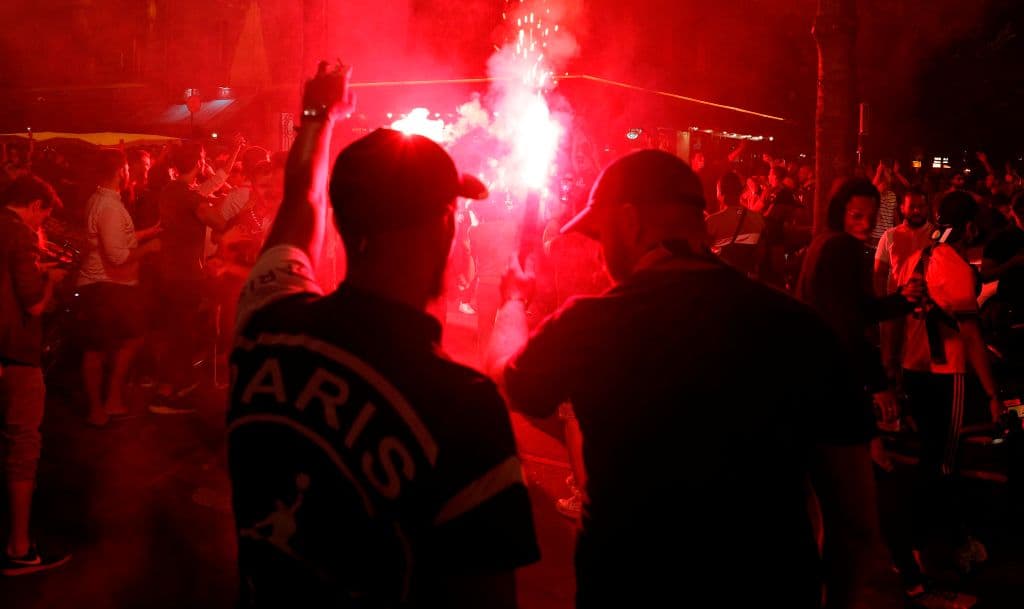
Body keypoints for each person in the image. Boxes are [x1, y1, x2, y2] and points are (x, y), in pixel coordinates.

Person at [487, 149, 901, 609]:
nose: (600, 256)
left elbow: (506, 378)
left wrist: (511, 300)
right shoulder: (798, 326)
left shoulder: (592, 322)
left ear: (629, 222)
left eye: (601, 236)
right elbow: (856, 525)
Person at [227, 62, 538, 608]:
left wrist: (320, 115)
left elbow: (300, 202)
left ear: (345, 222)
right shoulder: (460, 408)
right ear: (446, 221)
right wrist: (513, 300)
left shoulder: (267, 321)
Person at [887, 190, 1003, 589]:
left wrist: (892, 371)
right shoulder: (954, 266)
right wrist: (991, 394)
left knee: (927, 456)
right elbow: (970, 337)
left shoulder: (912, 257)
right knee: (946, 462)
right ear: (969, 227)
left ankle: (917, 540)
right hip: (945, 372)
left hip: (912, 367)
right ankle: (949, 544)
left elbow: (894, 319)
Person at [0, 175, 72, 575]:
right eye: (43, 216)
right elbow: (33, 305)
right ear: (33, 206)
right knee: (22, 447)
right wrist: (51, 279)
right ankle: (19, 547)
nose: (41, 224)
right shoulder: (21, 236)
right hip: (14, 356)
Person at [76, 150, 162, 426]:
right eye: (126, 169)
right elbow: (118, 256)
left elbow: (118, 238)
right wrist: (150, 248)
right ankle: (99, 407)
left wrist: (149, 231)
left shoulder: (101, 199)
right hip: (104, 286)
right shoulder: (110, 206)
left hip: (110, 286)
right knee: (97, 349)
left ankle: (110, 400)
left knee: (129, 339)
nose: (129, 174)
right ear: (120, 171)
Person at [705, 170, 765, 276]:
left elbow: (702, 254)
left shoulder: (712, 221)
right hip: (747, 278)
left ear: (720, 193)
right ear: (740, 192)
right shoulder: (758, 218)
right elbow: (760, 252)